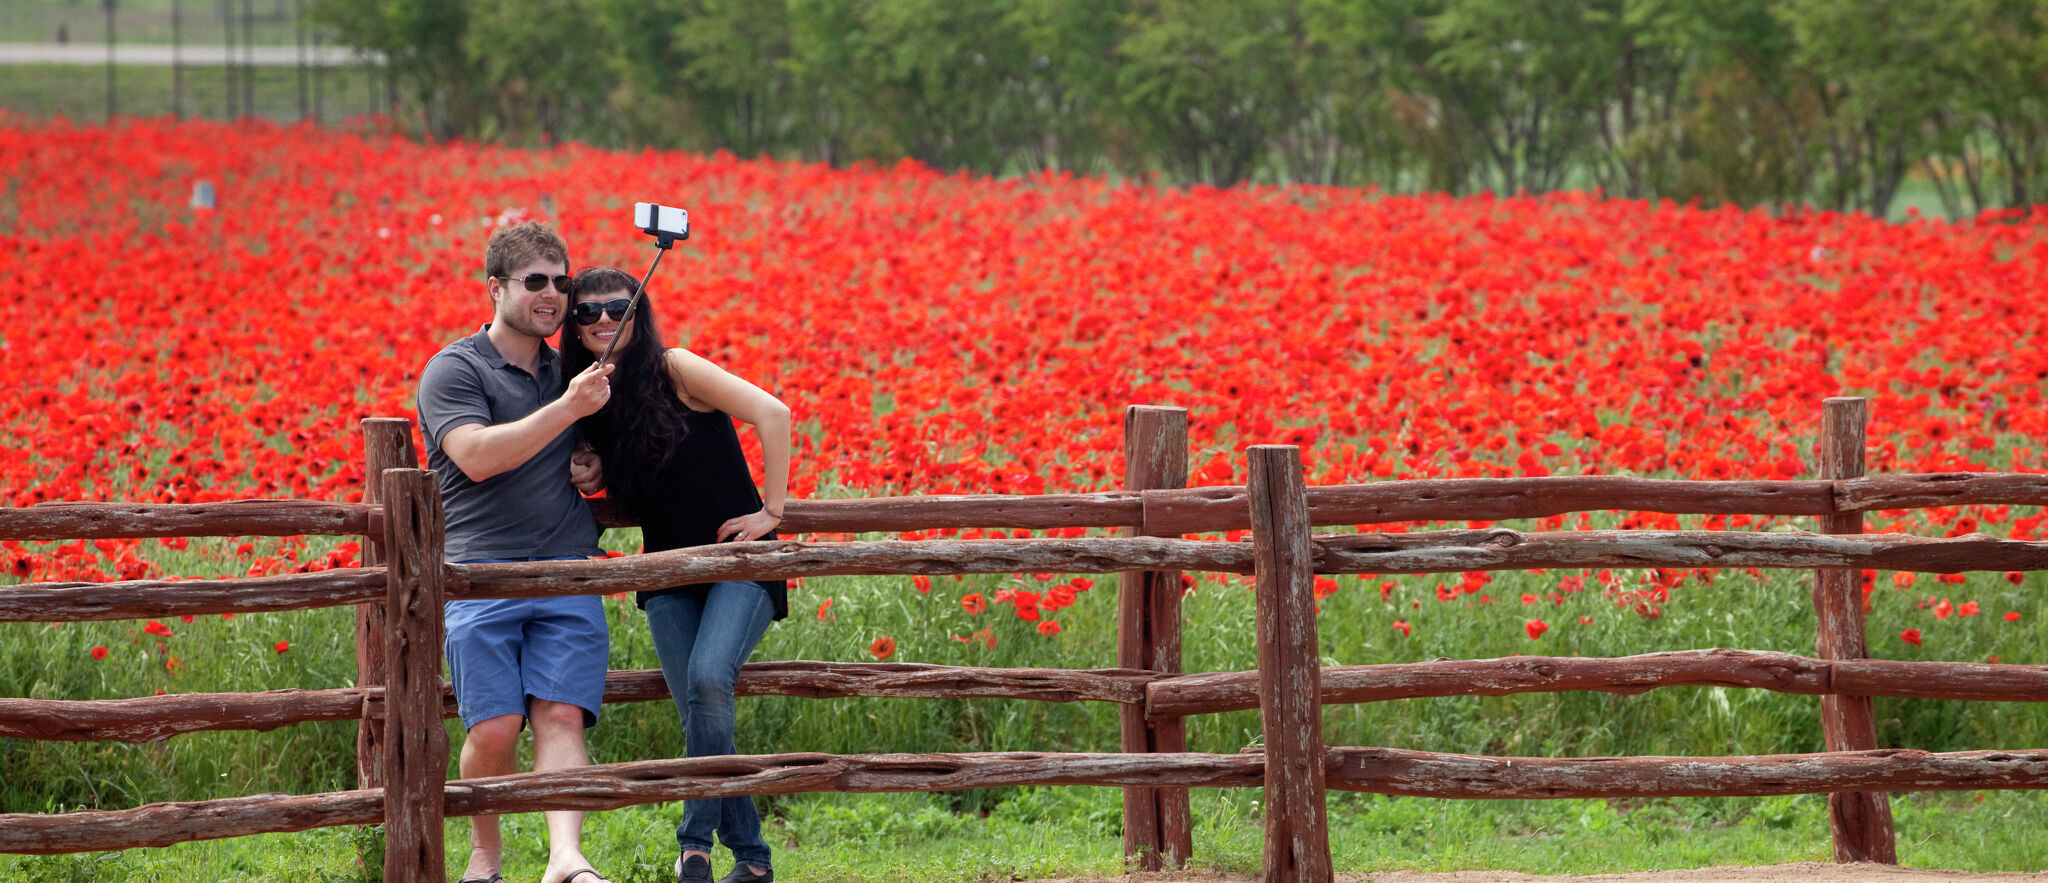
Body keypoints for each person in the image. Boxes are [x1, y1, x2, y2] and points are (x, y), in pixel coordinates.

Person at [562, 267, 791, 883]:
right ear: (573, 325)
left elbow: (773, 413)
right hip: (666, 570)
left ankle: (693, 846)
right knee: (701, 713)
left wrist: (771, 512)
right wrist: (590, 463)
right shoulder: (591, 393)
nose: (605, 320)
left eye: (618, 307)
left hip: (738, 562)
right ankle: (753, 859)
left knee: (709, 678)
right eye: (588, 312)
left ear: (640, 310)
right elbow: (622, 467)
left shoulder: (676, 367)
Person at [415, 221, 616, 883]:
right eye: (535, 281)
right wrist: (566, 413)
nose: (553, 293)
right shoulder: (455, 369)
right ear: (496, 286)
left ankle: (564, 858)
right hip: (482, 570)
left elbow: (597, 444)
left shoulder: (573, 370)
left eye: (561, 281)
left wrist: (592, 459)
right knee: (495, 725)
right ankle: (485, 855)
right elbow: (474, 456)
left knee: (561, 713)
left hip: (565, 563)